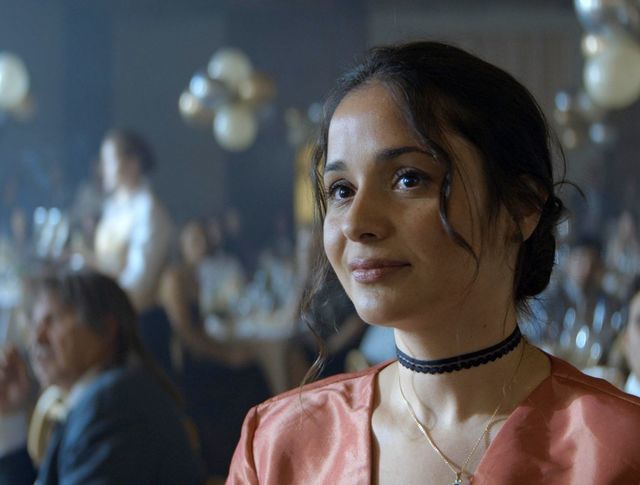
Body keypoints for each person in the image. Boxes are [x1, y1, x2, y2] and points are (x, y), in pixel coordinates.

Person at [227, 41, 640, 484]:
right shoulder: (279, 447)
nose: (356, 224)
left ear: (521, 206)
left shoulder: (616, 448)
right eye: (342, 190)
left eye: (409, 179)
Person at [0, 270, 205, 484]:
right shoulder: (109, 396)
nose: (37, 338)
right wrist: (10, 415)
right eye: (36, 325)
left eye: (52, 321)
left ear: (106, 329)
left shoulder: (112, 403)